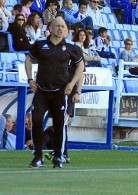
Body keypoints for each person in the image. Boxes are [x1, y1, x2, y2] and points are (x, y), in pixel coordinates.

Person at [25, 17, 84, 168]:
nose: (60, 29)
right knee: (37, 121)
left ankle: (58, 156)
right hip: (41, 91)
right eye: (57, 26)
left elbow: (80, 67)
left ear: (66, 30)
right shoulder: (40, 44)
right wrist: (30, 79)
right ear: (50, 28)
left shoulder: (72, 48)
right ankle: (38, 156)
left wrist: (72, 84)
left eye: (63, 26)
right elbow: (28, 60)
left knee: (59, 124)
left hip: (60, 92)